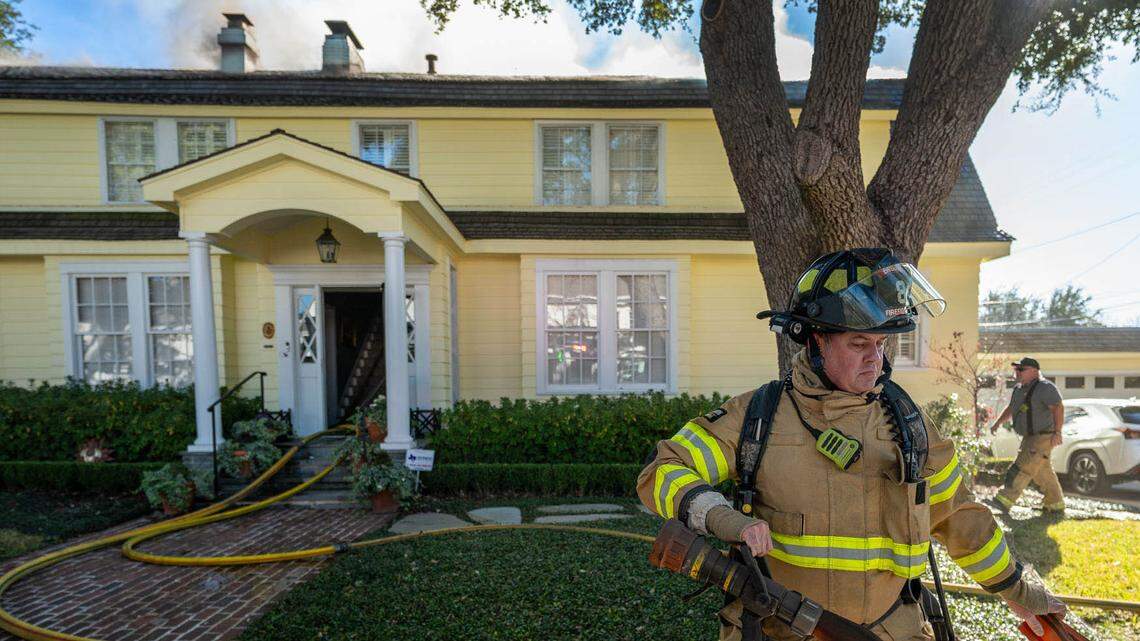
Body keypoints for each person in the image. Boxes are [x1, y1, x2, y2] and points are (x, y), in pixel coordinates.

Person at [637, 248, 1065, 641]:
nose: (874, 358)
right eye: (858, 343)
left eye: (880, 344)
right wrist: (723, 519)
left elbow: (961, 518)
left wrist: (1016, 589)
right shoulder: (757, 417)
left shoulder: (909, 423)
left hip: (892, 629)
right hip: (780, 630)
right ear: (816, 341)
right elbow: (662, 471)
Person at [987, 357, 1066, 513]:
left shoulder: (1045, 388)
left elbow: (1058, 408)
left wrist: (1058, 432)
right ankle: (1055, 504)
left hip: (1042, 436)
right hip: (1029, 437)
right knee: (1042, 471)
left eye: (1021, 369)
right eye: (1016, 369)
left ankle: (1004, 500)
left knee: (1022, 467)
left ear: (1035, 371)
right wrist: (997, 423)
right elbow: (1011, 408)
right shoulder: (1019, 389)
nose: (1017, 372)